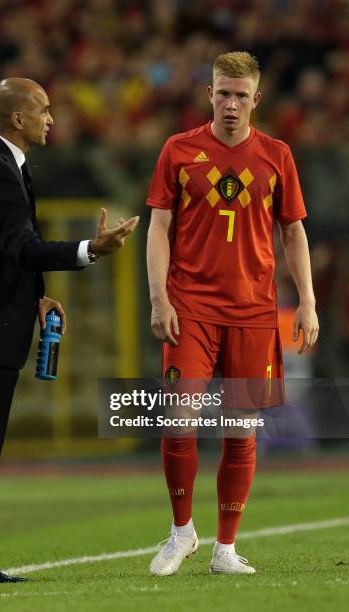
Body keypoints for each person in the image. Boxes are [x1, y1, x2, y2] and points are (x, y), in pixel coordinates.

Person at [0, 77, 139, 584]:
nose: (52, 119)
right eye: (44, 110)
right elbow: (22, 248)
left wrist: (36, 296)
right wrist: (90, 250)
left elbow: (7, 250)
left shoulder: (1, 164)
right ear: (17, 119)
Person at [146, 52, 318, 576]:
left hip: (252, 311)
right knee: (179, 421)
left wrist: (308, 301)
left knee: (239, 430)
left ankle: (225, 548)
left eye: (241, 95)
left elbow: (292, 231)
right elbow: (158, 227)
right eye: (223, 93)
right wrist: (159, 298)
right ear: (209, 94)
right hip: (191, 308)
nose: (230, 104)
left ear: (256, 100)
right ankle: (181, 533)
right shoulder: (178, 150)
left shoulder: (276, 155)